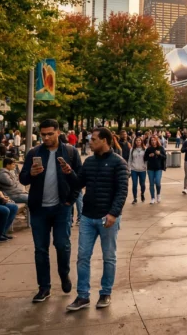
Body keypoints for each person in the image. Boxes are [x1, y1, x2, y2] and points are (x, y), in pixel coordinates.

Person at [20, 118, 83, 304]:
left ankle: (64, 274)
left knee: (62, 245)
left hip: (61, 208)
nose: (46, 137)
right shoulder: (34, 153)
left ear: (58, 132)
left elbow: (79, 180)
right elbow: (23, 179)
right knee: (40, 249)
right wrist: (30, 173)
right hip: (39, 209)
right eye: (43, 134)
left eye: (49, 134)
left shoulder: (70, 152)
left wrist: (70, 200)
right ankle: (44, 287)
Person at [66, 128, 129, 311]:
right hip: (87, 216)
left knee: (109, 257)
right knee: (83, 257)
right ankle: (83, 296)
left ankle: (105, 293)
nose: (90, 142)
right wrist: (69, 172)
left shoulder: (119, 163)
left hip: (107, 217)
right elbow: (79, 183)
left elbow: (122, 191)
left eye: (93, 139)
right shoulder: (90, 162)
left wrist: (113, 213)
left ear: (104, 140)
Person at [144, 136, 166, 204]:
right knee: (151, 183)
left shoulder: (161, 148)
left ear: (157, 141)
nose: (153, 141)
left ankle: (158, 194)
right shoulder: (149, 149)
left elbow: (165, 157)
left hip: (158, 168)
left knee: (157, 182)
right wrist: (149, 156)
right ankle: (152, 198)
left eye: (154, 140)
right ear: (150, 142)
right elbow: (145, 158)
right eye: (152, 140)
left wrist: (159, 154)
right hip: (150, 168)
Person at [128, 137, 148, 204]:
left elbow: (146, 160)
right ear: (135, 142)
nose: (138, 141)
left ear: (141, 141)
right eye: (136, 140)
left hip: (142, 170)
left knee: (142, 184)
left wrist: (145, 166)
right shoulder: (132, 150)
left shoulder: (145, 149)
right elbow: (130, 160)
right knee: (134, 184)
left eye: (139, 140)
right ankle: (135, 198)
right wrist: (129, 169)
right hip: (134, 169)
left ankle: (142, 193)